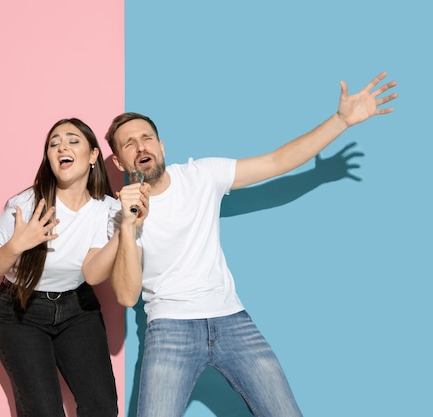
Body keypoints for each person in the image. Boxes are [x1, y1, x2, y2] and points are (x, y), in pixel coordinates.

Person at [104, 72, 398, 417]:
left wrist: (340, 121)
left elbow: (276, 162)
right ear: (120, 162)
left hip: (232, 320)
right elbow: (125, 296)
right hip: (170, 328)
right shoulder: (118, 212)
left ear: (161, 146)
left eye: (147, 138)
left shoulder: (202, 176)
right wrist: (127, 224)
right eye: (129, 144)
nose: (141, 147)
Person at [0, 118, 125, 417]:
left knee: (102, 407)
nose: (62, 147)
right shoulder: (26, 203)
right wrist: (17, 245)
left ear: (94, 155)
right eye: (54, 143)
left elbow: (93, 272)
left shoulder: (107, 211)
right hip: (20, 311)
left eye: (73, 140)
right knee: (43, 411)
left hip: (77, 308)